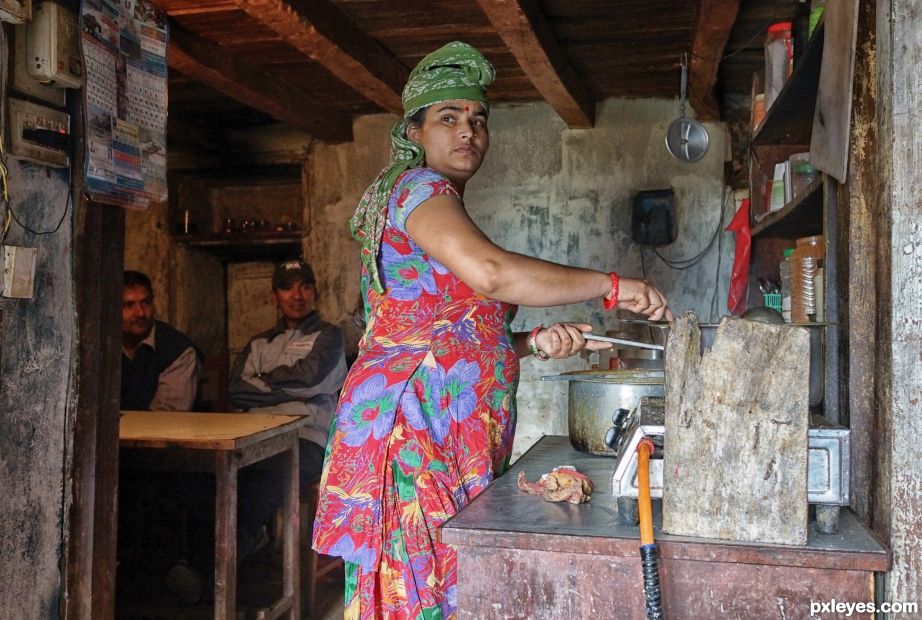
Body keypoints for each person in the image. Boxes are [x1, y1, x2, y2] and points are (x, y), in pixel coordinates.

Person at [312, 41, 671, 619]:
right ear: (414, 131)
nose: (468, 132)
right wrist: (611, 286)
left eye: (478, 119)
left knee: (437, 585)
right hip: (414, 431)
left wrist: (531, 345)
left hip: (437, 426)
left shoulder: (431, 199)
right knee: (426, 589)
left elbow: (445, 333)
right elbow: (493, 272)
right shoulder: (418, 189)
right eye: (448, 118)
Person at [228, 258, 348, 489]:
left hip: (307, 439)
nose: (297, 296)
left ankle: (244, 525)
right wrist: (295, 391)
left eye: (304, 286)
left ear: (314, 292)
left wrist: (263, 379)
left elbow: (311, 380)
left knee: (259, 489)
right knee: (215, 482)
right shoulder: (259, 343)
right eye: (287, 288)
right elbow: (236, 391)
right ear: (274, 297)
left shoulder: (329, 336)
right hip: (255, 438)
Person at [121, 270, 201, 411]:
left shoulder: (177, 350)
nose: (140, 313)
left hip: (153, 431)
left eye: (145, 302)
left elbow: (166, 418)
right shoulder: (98, 345)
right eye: (128, 305)